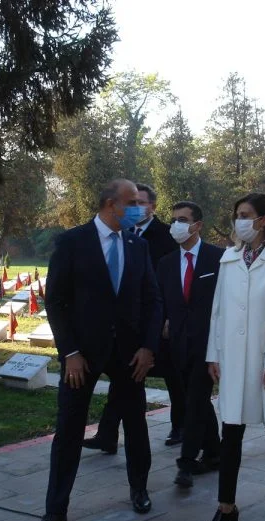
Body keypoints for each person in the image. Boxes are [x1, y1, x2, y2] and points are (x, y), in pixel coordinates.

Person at [32, 179, 162, 521]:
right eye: (132, 202)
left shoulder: (137, 245)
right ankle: (55, 512)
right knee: (69, 429)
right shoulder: (73, 242)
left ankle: (139, 489)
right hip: (83, 356)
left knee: (135, 424)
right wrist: (70, 352)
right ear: (109, 204)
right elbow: (56, 301)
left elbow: (152, 300)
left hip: (129, 354)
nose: (139, 209)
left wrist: (148, 347)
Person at [201, 192, 265, 521]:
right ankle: (226, 507)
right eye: (237, 215)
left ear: (263, 220)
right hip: (232, 358)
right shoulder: (229, 258)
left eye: (245, 215)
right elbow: (217, 310)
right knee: (231, 432)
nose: (239, 221)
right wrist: (213, 354)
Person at [84, 183, 184, 451]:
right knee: (124, 380)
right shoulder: (122, 233)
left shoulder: (166, 236)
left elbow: (171, 280)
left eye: (140, 203)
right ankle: (107, 433)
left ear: (152, 206)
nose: (135, 208)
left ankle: (179, 426)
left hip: (158, 320)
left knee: (173, 376)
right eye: (131, 203)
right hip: (128, 325)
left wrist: (167, 316)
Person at [156, 201, 223, 488]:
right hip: (177, 344)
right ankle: (215, 453)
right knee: (196, 399)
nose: (176, 225)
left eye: (182, 220)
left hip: (208, 344)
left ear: (197, 225)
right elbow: (161, 301)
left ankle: (186, 461)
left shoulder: (218, 259)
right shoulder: (166, 263)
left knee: (195, 400)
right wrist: (164, 322)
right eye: (173, 220)